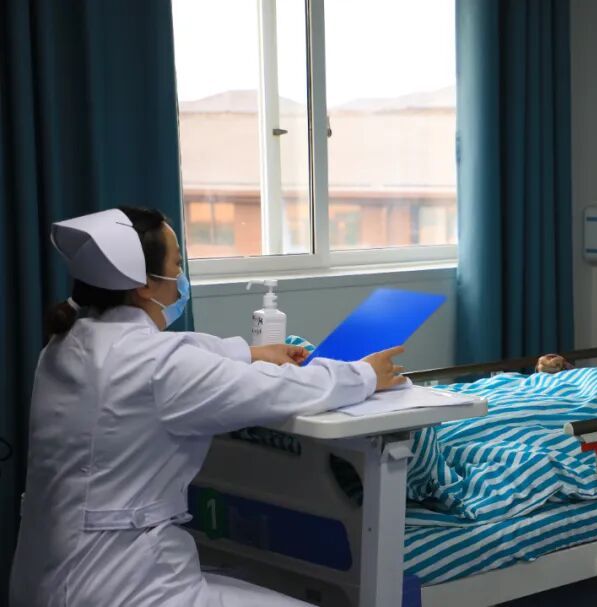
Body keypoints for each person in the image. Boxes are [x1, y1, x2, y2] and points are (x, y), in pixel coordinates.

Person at [10, 207, 407, 606]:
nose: (181, 277)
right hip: (121, 587)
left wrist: (250, 352)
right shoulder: (157, 365)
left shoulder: (67, 344)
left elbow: (178, 354)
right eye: (177, 264)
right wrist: (364, 374)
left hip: (46, 579)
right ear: (145, 285)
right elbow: (274, 390)